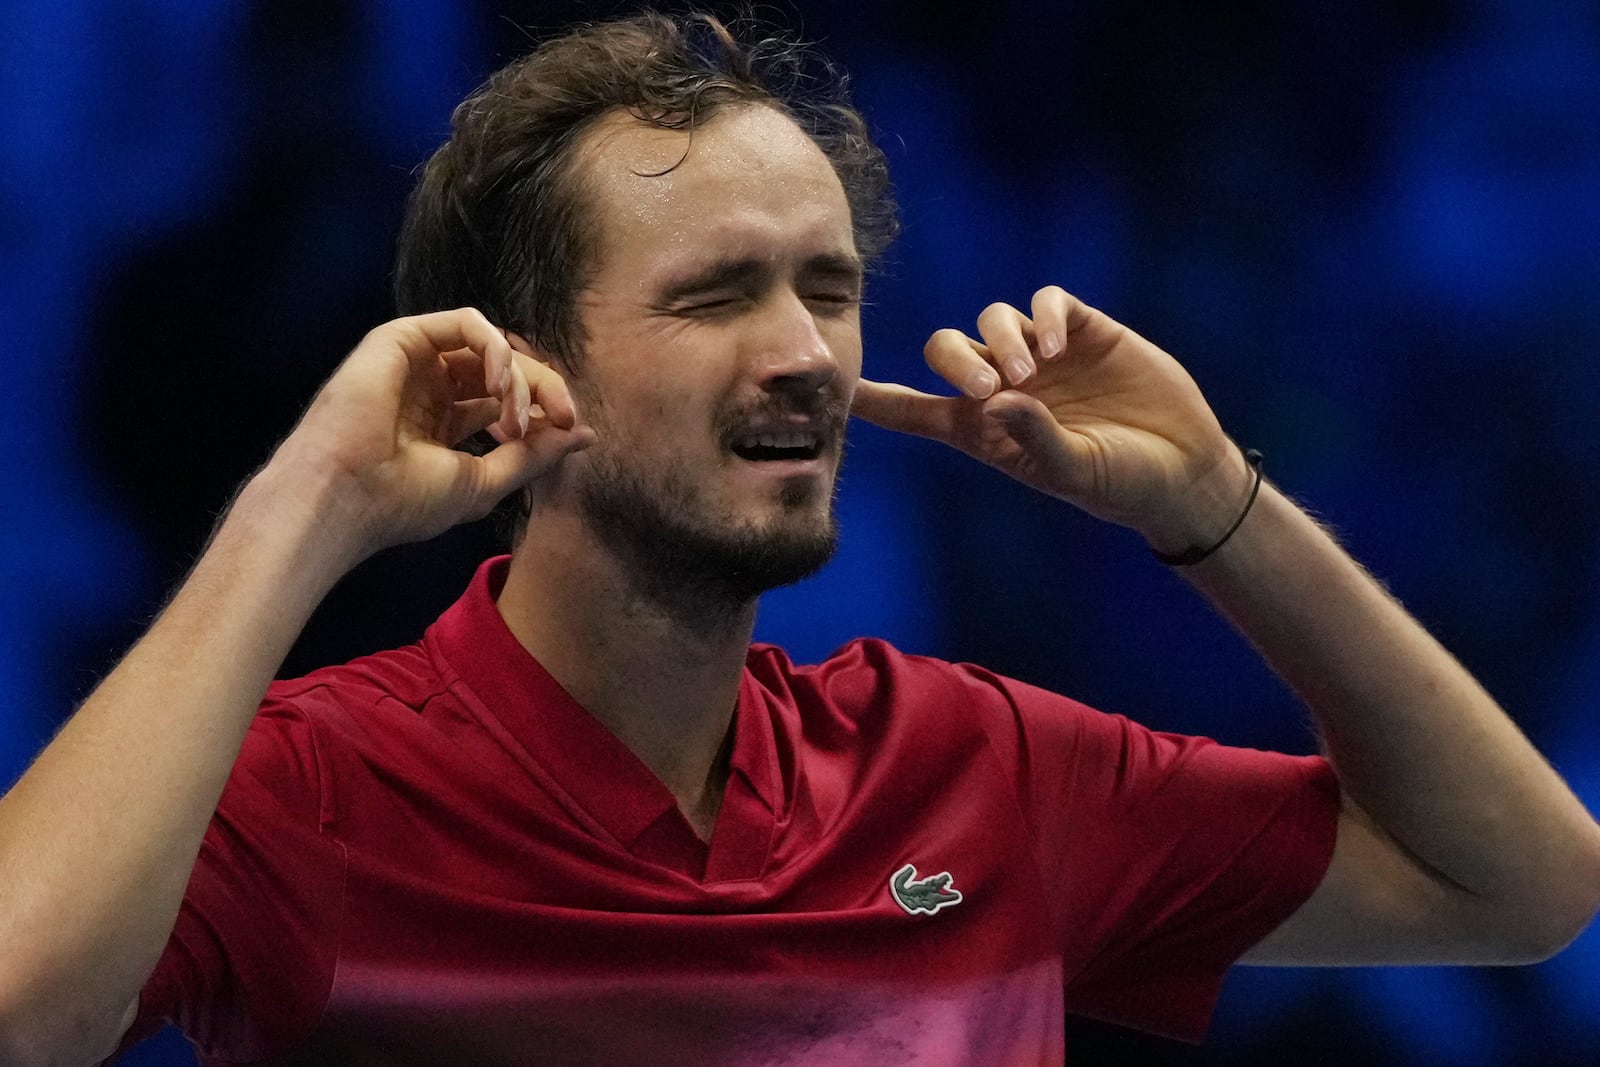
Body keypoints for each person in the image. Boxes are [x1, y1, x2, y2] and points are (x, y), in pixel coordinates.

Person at [3, 11, 1598, 1067]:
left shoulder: (982, 768)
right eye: (716, 295)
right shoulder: (310, 791)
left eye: (827, 291)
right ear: (515, 361)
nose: (808, 353)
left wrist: (1216, 510)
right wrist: (305, 505)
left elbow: (1519, 884)